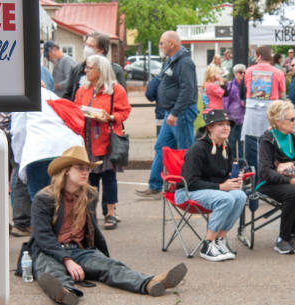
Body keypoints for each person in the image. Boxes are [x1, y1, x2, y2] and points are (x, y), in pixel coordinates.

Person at [29, 146, 187, 305]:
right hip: (51, 251)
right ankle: (64, 293)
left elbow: (92, 230)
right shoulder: (44, 198)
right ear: (67, 171)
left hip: (79, 250)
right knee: (49, 269)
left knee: (111, 266)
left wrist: (103, 257)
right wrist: (67, 260)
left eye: (87, 169)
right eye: (80, 168)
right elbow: (43, 237)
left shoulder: (89, 194)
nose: (85, 172)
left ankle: (150, 283)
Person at [176, 109, 247, 261]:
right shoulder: (198, 149)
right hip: (186, 192)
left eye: (228, 124)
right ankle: (207, 245)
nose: (226, 127)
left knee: (240, 195)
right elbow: (191, 182)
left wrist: (234, 179)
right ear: (210, 128)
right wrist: (221, 187)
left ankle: (219, 240)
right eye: (221, 124)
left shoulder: (226, 147)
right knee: (226, 198)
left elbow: (224, 177)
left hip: (211, 191)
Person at [137, 30, 198, 198]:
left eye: (162, 43)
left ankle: (188, 186)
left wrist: (176, 112)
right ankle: (155, 184)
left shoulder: (185, 63)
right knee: (161, 148)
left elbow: (188, 90)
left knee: (185, 150)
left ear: (172, 43)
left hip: (181, 113)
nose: (160, 46)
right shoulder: (171, 61)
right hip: (171, 112)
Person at [74, 55, 131, 230]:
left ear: (100, 71)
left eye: (90, 68)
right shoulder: (83, 90)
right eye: (87, 67)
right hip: (87, 141)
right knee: (89, 178)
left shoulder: (116, 90)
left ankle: (110, 213)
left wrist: (111, 117)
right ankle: (89, 214)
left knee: (108, 178)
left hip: (107, 140)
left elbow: (125, 111)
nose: (86, 71)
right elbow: (75, 109)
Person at [257, 100, 295, 254]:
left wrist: (292, 164)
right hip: (269, 183)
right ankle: (282, 239)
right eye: (291, 119)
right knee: (294, 192)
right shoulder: (267, 139)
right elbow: (265, 171)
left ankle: (292, 235)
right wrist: (290, 180)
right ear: (277, 121)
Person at [241, 45, 287, 169]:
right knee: (270, 141)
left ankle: (253, 170)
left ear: (259, 56)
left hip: (252, 109)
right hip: (271, 110)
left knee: (251, 141)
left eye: (255, 55)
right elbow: (282, 94)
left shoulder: (249, 71)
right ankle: (269, 169)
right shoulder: (278, 72)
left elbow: (246, 87)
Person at [62, 32, 126, 102]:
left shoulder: (114, 70)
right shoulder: (77, 69)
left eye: (91, 46)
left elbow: (122, 99)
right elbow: (68, 95)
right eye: (86, 45)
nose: (86, 49)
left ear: (101, 50)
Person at [223, 64, 246, 159]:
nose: (243, 74)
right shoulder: (229, 85)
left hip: (243, 118)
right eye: (240, 72)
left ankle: (241, 162)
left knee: (241, 142)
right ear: (235, 73)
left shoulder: (246, 86)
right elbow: (225, 100)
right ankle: (231, 162)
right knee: (231, 142)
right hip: (231, 118)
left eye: (244, 72)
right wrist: (225, 113)